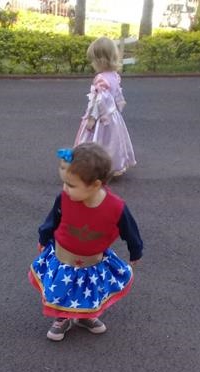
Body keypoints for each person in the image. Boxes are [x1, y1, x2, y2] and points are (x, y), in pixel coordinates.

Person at [29, 143, 143, 341]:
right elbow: (52, 220)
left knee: (90, 289)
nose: (65, 188)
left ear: (95, 185)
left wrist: (136, 251)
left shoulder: (116, 208)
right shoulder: (64, 198)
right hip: (63, 258)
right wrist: (44, 237)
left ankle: (85, 316)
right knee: (62, 288)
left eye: (71, 185)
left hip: (93, 262)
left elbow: (130, 231)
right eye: (64, 182)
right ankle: (63, 317)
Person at [74, 37, 136, 177]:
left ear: (100, 60)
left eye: (93, 60)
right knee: (112, 141)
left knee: (97, 140)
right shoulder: (114, 76)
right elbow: (117, 95)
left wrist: (92, 118)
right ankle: (113, 164)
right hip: (113, 115)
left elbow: (99, 101)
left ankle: (93, 167)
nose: (92, 64)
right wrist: (118, 107)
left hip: (101, 117)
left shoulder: (101, 78)